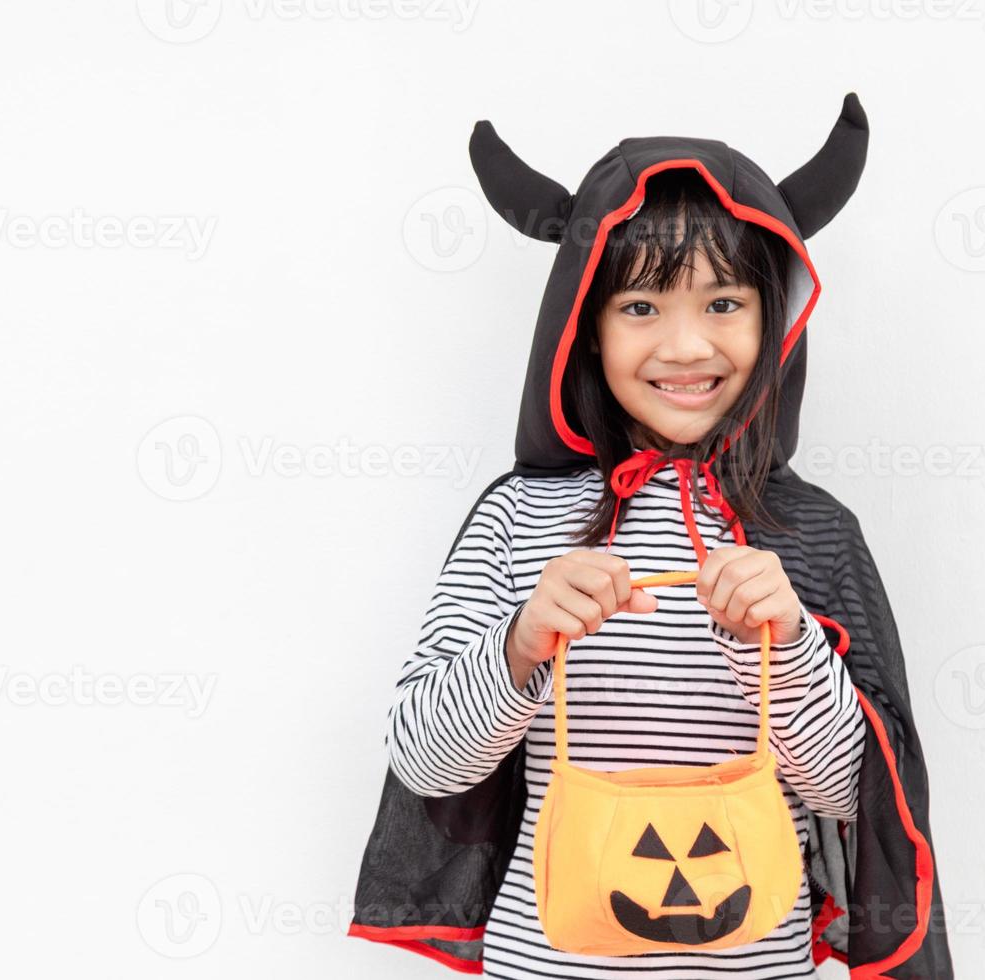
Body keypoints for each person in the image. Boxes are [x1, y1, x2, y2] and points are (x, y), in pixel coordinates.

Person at [349, 96, 953, 979]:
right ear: (584, 328)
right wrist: (522, 644)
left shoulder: (809, 534)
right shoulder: (519, 517)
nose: (683, 345)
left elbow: (848, 792)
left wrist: (785, 647)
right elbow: (425, 759)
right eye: (640, 305)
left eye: (722, 303)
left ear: (772, 314)